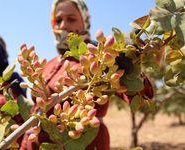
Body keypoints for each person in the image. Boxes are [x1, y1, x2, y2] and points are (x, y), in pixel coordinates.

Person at [21, 0, 154, 150]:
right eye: (58, 20)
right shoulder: (47, 64)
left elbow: (142, 96)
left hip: (86, 143)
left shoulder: (101, 59)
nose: (63, 25)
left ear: (85, 22)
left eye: (71, 19)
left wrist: (133, 69)